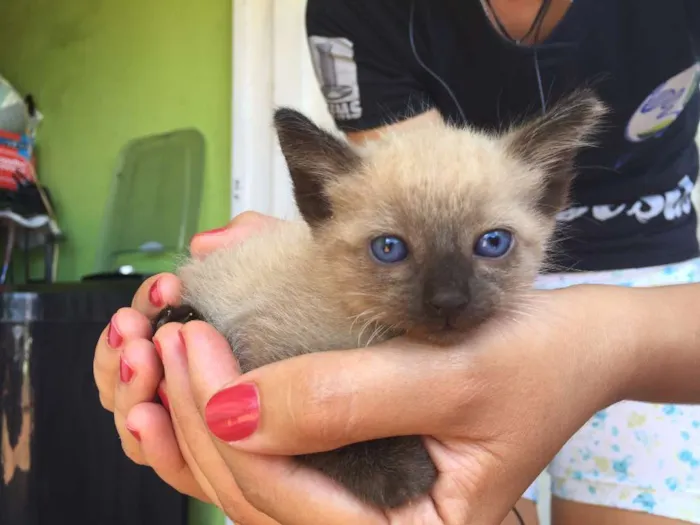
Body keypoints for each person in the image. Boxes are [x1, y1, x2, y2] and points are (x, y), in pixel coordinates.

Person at [93, 0, 700, 524]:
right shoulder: (359, 14)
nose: (447, 297)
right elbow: (398, 186)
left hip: (666, 291)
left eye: (491, 245)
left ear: (550, 198)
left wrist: (612, 340)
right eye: (392, 250)